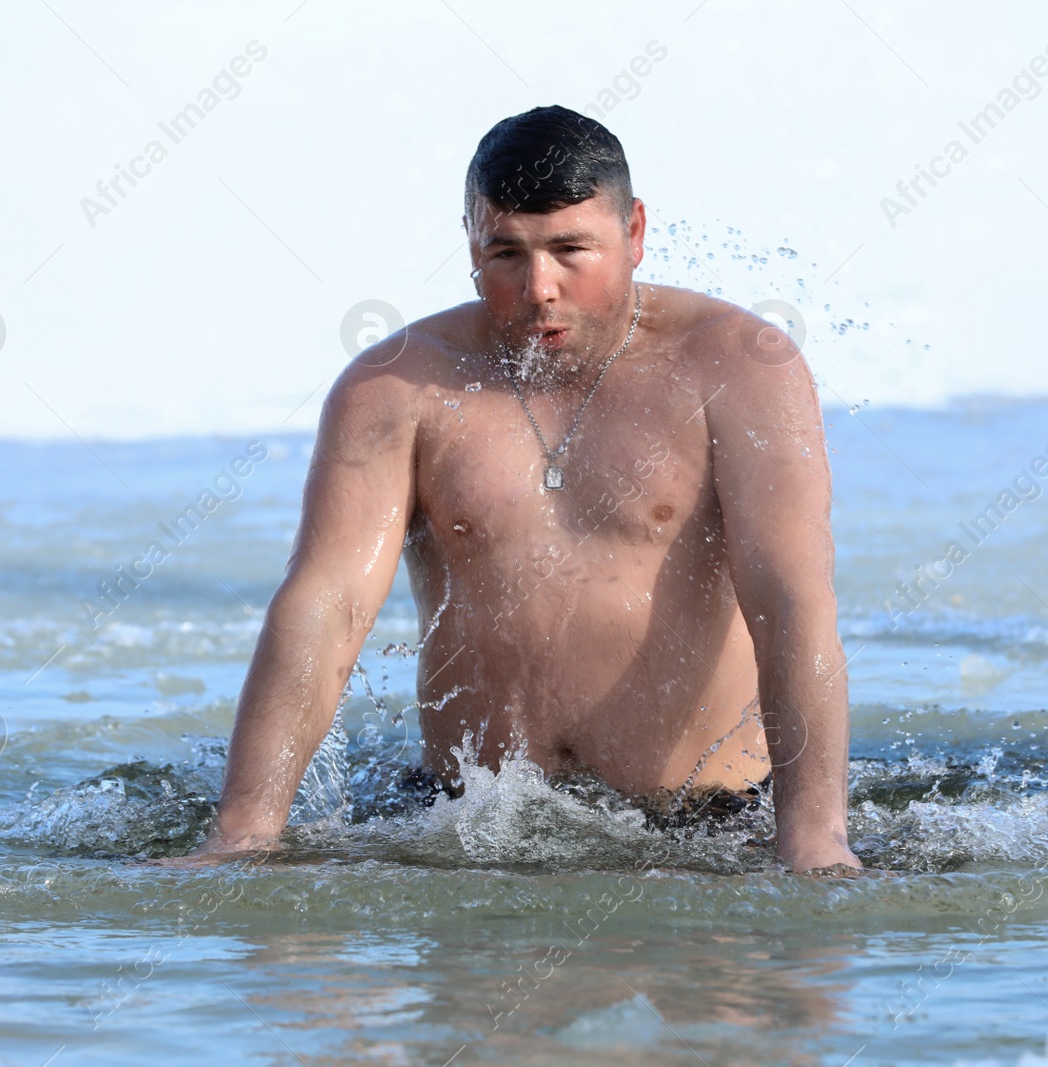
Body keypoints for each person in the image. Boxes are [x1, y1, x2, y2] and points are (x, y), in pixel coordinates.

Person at [187, 105, 861, 874]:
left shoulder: (739, 367)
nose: (540, 287)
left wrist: (815, 838)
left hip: (701, 825)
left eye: (572, 249)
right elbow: (326, 605)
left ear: (634, 232)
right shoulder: (397, 386)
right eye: (505, 253)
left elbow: (792, 601)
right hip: (464, 819)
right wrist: (242, 831)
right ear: (470, 242)